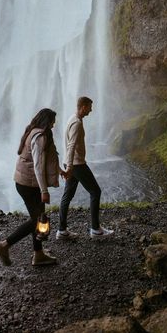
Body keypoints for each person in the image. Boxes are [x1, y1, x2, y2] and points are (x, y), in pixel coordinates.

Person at [0, 108, 63, 266]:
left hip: (27, 182)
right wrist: (44, 190)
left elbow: (47, 158)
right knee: (36, 221)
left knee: (37, 219)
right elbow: (38, 165)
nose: (54, 124)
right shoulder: (39, 136)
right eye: (52, 121)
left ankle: (38, 254)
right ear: (46, 121)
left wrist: (59, 170)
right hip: (29, 185)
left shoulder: (34, 132)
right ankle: (4, 245)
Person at [57, 96, 114, 239]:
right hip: (76, 164)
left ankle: (61, 230)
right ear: (83, 107)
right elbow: (71, 146)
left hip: (70, 163)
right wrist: (70, 166)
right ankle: (95, 230)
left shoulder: (73, 118)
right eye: (89, 107)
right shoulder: (76, 123)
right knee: (95, 191)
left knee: (67, 196)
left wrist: (67, 164)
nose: (91, 110)